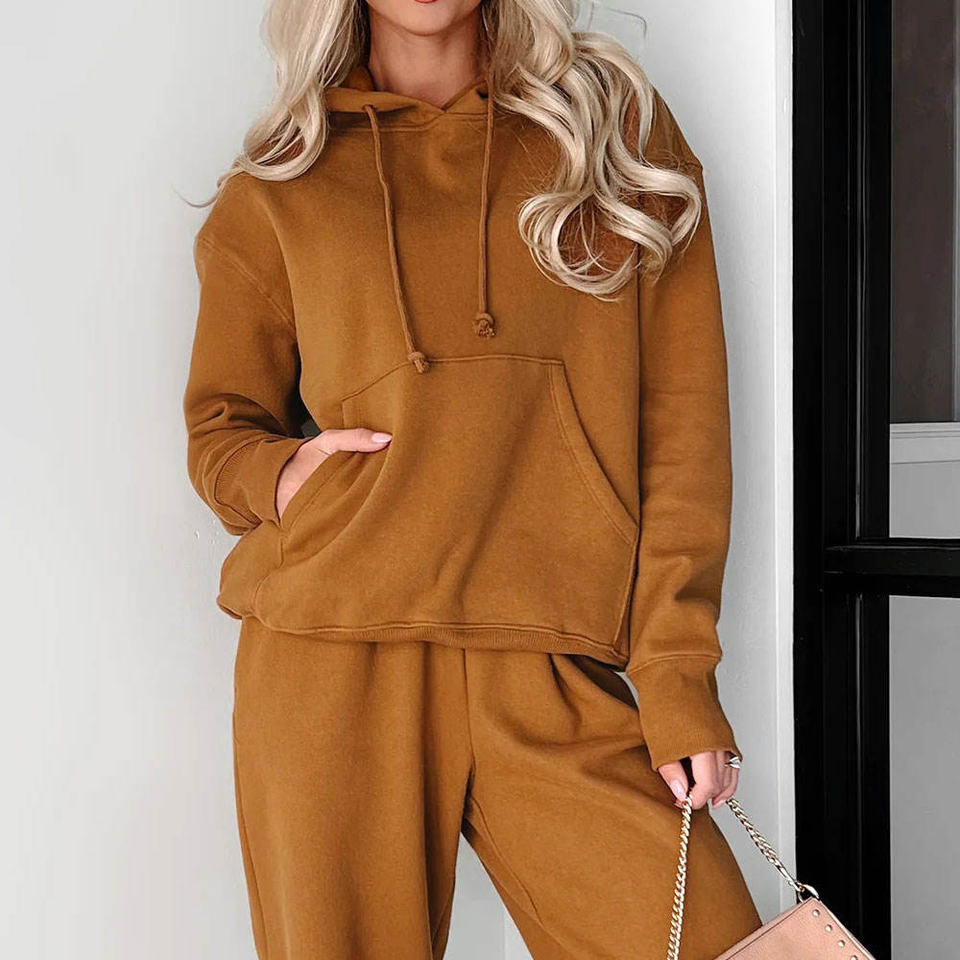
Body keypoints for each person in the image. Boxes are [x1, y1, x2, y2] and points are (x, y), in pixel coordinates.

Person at [183, 0, 763, 955]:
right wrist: (286, 475)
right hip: (335, 658)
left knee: (706, 938)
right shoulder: (282, 184)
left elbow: (683, 435)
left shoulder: (612, 138)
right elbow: (220, 431)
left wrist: (676, 676)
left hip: (550, 653)